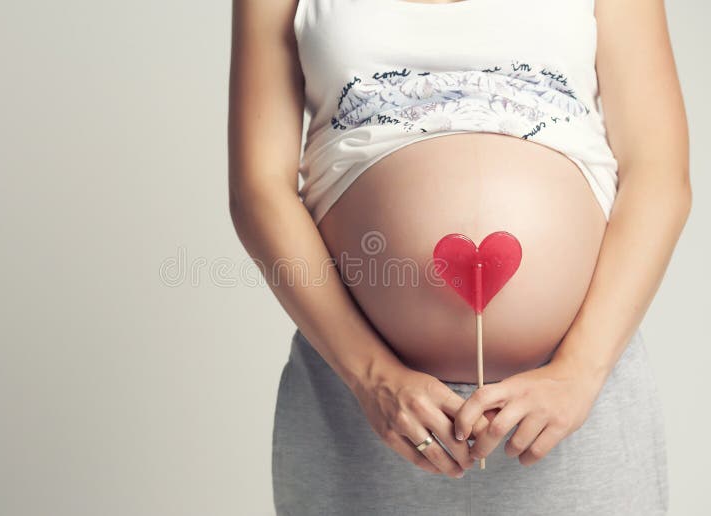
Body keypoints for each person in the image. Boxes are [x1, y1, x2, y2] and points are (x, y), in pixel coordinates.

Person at [228, 0, 691, 514]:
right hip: (367, 403)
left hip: (574, 401)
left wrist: (579, 371)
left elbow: (659, 174)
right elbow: (258, 188)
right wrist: (372, 376)